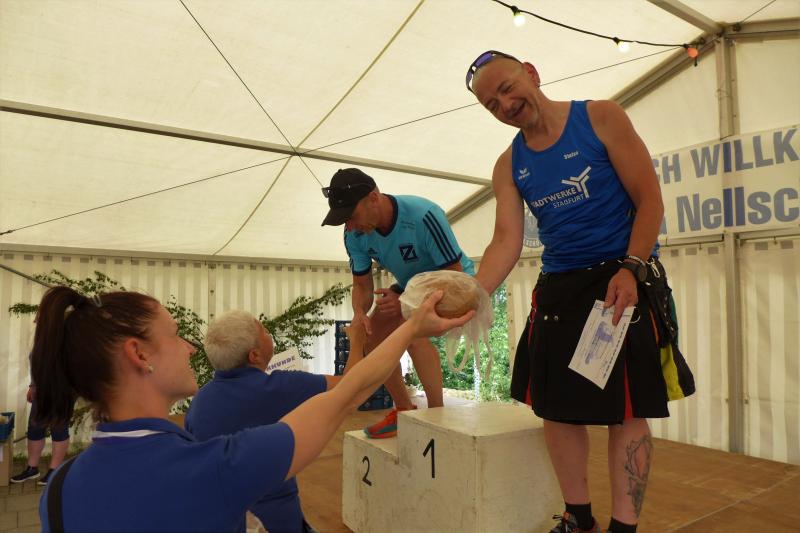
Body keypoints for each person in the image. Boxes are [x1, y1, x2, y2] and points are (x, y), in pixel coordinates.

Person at [466, 51, 695, 533]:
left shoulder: (600, 117)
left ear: (532, 72)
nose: (504, 105)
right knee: (554, 410)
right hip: (559, 291)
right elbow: (505, 240)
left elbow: (649, 200)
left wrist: (632, 268)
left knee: (626, 413)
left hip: (621, 278)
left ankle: (623, 528)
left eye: (506, 88)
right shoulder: (509, 164)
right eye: (491, 104)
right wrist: (474, 294)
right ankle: (578, 519)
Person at [31, 286, 472, 531]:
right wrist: (412, 326)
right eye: (174, 334)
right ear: (139, 354)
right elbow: (350, 390)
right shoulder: (217, 468)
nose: (189, 347)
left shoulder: (58, 489)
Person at [321, 167, 475, 438]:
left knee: (411, 331)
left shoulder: (424, 216)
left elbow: (454, 275)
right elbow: (362, 285)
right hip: (410, 288)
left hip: (456, 284)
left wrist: (405, 300)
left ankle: (436, 415)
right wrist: (359, 313)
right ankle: (403, 410)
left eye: (351, 216)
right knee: (372, 336)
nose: (350, 227)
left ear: (373, 198)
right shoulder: (353, 234)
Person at [185, 310, 365, 533]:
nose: (269, 334)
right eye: (264, 331)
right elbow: (350, 386)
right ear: (254, 355)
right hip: (276, 520)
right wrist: (357, 341)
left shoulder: (200, 401)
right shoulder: (278, 388)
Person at [9, 369, 70, 486]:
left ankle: (54, 470)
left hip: (62, 387)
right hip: (41, 388)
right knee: (35, 427)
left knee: (59, 428)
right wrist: (32, 386)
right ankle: (32, 469)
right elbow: (36, 364)